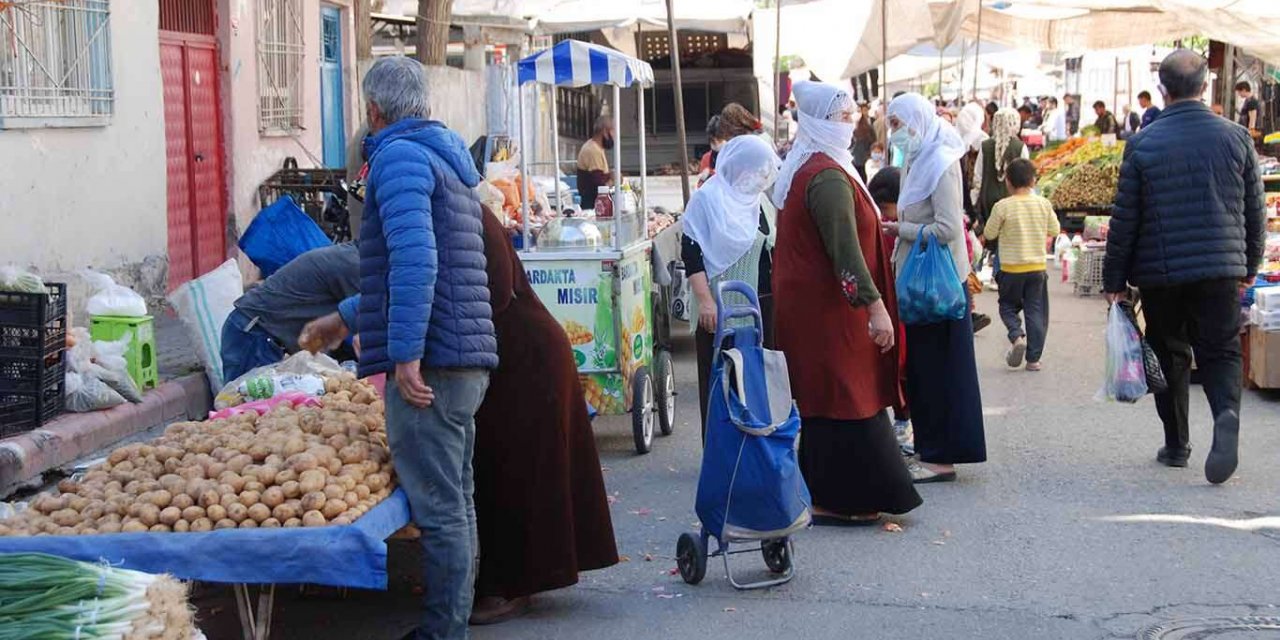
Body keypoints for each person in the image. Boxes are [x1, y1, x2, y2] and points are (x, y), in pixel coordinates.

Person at [305, 56, 498, 640]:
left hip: (435, 361)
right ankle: (450, 626)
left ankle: (443, 632)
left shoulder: (398, 158)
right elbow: (404, 268)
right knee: (456, 503)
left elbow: (416, 261)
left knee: (441, 510)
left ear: (372, 111)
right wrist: (347, 321)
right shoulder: (446, 157)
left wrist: (406, 354)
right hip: (464, 355)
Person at [1102, 49, 1266, 485]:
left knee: (1170, 351)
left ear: (1163, 90)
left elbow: (1125, 218)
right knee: (1222, 350)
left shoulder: (1142, 143)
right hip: (1220, 267)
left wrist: (1114, 279)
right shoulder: (1236, 137)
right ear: (1205, 87)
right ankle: (1226, 414)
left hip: (1161, 272)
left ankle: (1176, 445)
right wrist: (1250, 263)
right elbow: (1254, 209)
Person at [772, 81, 921, 525]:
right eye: (841, 118)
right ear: (819, 122)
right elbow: (845, 251)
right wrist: (874, 308)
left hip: (819, 304)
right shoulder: (826, 177)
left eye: (851, 117)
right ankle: (843, 498)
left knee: (832, 394)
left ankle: (832, 493)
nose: (850, 126)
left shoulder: (823, 166)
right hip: (828, 307)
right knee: (845, 392)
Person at [469, 207, 618, 624]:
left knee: (519, 471)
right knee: (510, 468)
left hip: (525, 355)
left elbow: (495, 294)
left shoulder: (471, 216)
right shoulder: (453, 213)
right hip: (505, 354)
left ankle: (512, 584)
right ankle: (513, 577)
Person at [884, 92, 987, 484]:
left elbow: (947, 228)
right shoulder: (917, 157)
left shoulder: (941, 163)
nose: (894, 133)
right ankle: (930, 449)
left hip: (939, 282)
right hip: (919, 280)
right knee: (925, 369)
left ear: (917, 121)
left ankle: (942, 457)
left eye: (897, 125)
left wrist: (901, 230)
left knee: (942, 369)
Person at [683, 135, 779, 440]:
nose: (763, 177)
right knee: (720, 385)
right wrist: (706, 301)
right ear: (740, 167)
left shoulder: (759, 202)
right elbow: (691, 251)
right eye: (758, 170)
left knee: (754, 384)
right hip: (720, 308)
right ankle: (720, 454)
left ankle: (755, 451)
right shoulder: (707, 199)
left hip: (760, 306)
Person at [221, 243, 360, 382]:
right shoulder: (353, 265)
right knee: (244, 399)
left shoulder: (351, 256)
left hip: (263, 334)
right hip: (254, 333)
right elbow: (367, 321)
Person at [981, 158, 1060, 372]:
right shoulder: (1043, 204)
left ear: (1007, 182)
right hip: (1036, 269)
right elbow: (1054, 229)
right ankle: (1033, 360)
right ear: (1033, 181)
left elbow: (989, 233)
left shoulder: (1002, 206)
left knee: (1007, 306)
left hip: (1010, 269)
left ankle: (1017, 337)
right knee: (1035, 312)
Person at [868, 167, 914, 456]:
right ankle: (901, 421)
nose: (887, 215)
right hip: (895, 307)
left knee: (895, 366)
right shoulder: (890, 227)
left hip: (891, 306)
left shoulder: (887, 228)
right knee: (899, 366)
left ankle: (900, 421)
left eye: (888, 209)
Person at [972, 108, 1030, 274]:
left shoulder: (985, 146)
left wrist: (975, 199)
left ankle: (976, 269)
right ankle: (998, 273)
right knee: (1004, 239)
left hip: (987, 198)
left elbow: (978, 176)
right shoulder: (1020, 147)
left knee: (985, 235)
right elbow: (1026, 176)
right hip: (1011, 199)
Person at [577, 117, 615, 209]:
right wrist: (613, 180)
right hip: (593, 204)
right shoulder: (593, 150)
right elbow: (599, 185)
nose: (614, 137)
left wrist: (610, 174)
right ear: (605, 132)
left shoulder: (597, 148)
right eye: (613, 133)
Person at [696, 115, 725, 188]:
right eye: (713, 141)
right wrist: (705, 179)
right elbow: (700, 188)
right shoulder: (707, 158)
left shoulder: (734, 156)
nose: (716, 143)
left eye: (719, 139)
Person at [852, 101, 877, 181]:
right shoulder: (848, 127)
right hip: (853, 160)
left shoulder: (867, 127)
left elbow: (873, 142)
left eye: (859, 111)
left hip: (863, 161)